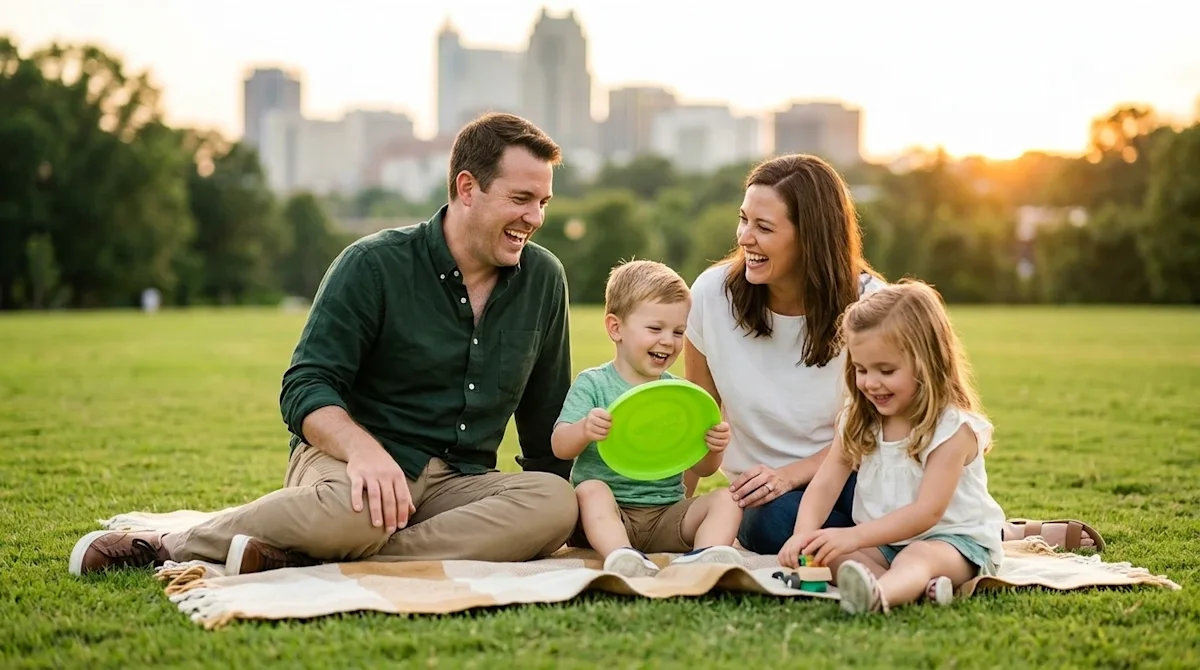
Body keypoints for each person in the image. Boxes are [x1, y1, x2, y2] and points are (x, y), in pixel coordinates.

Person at [69, 112, 580, 577]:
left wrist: (599, 511)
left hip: (458, 486)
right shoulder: (373, 265)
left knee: (555, 503)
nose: (534, 218)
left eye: (543, 203)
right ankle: (168, 542)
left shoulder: (544, 279)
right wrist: (364, 452)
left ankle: (318, 556)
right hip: (345, 467)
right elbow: (305, 386)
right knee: (356, 518)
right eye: (521, 199)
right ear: (467, 188)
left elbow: (546, 429)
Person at [683, 153, 1104, 556]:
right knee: (766, 523)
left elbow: (897, 427)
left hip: (864, 476)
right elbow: (694, 418)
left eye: (763, 227)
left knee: (824, 513)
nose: (744, 238)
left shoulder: (871, 309)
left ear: (809, 235)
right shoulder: (710, 296)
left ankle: (976, 530)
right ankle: (959, 531)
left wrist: (789, 475)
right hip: (765, 499)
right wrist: (671, 510)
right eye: (743, 220)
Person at [778, 280, 1006, 615]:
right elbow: (825, 484)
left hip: (954, 543)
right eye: (861, 369)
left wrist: (855, 537)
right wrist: (805, 536)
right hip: (884, 544)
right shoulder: (859, 420)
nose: (871, 382)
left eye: (886, 370)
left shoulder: (951, 429)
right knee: (831, 551)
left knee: (917, 557)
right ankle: (914, 588)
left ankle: (879, 595)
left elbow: (927, 513)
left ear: (927, 363)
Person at [552, 260, 743, 578]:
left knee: (728, 498)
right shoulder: (594, 384)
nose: (668, 341)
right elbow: (559, 446)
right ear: (616, 328)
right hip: (609, 516)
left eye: (678, 331)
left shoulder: (680, 395)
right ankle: (621, 555)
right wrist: (584, 430)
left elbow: (704, 469)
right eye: (655, 329)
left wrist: (715, 446)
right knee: (590, 490)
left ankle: (705, 555)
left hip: (666, 513)